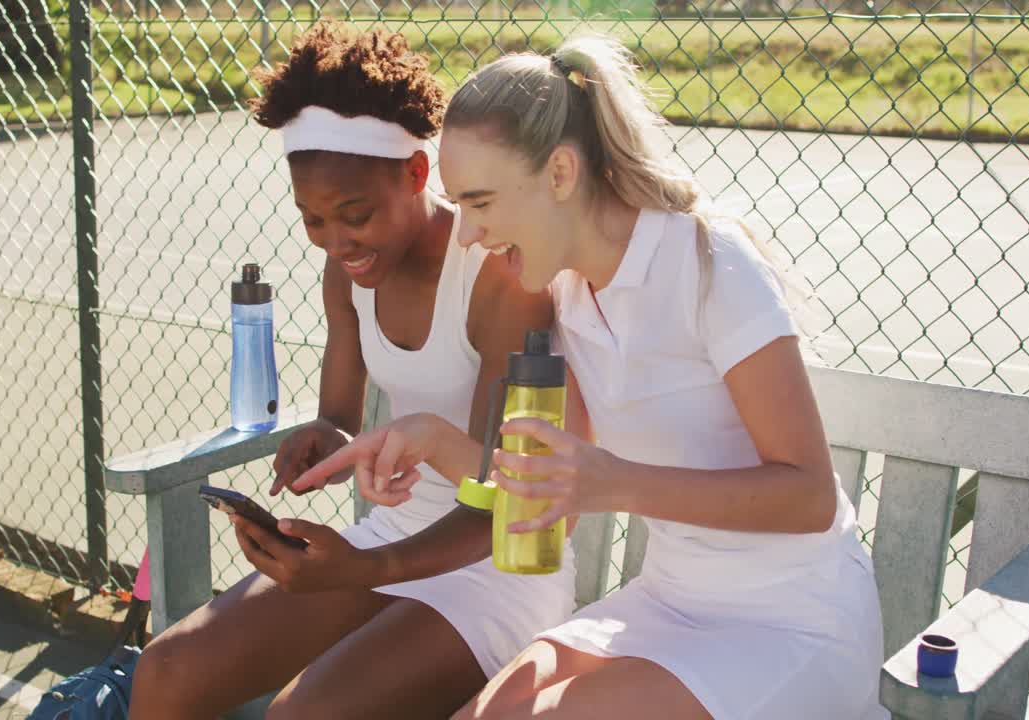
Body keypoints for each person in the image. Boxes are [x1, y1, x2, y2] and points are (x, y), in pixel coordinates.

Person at [295, 33, 888, 720]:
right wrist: (427, 438)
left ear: (560, 175)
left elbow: (810, 496)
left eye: (481, 204)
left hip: (790, 620)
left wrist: (619, 481)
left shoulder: (709, 264)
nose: (467, 234)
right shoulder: (567, 293)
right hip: (670, 600)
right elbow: (549, 488)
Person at [127, 22, 575, 720]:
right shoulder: (350, 271)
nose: (337, 242)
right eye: (312, 220)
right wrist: (325, 436)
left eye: (354, 215)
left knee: (305, 714)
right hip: (389, 547)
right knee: (166, 670)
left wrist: (364, 569)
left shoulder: (498, 275)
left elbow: (504, 498)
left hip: (493, 566)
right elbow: (341, 411)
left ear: (418, 174)